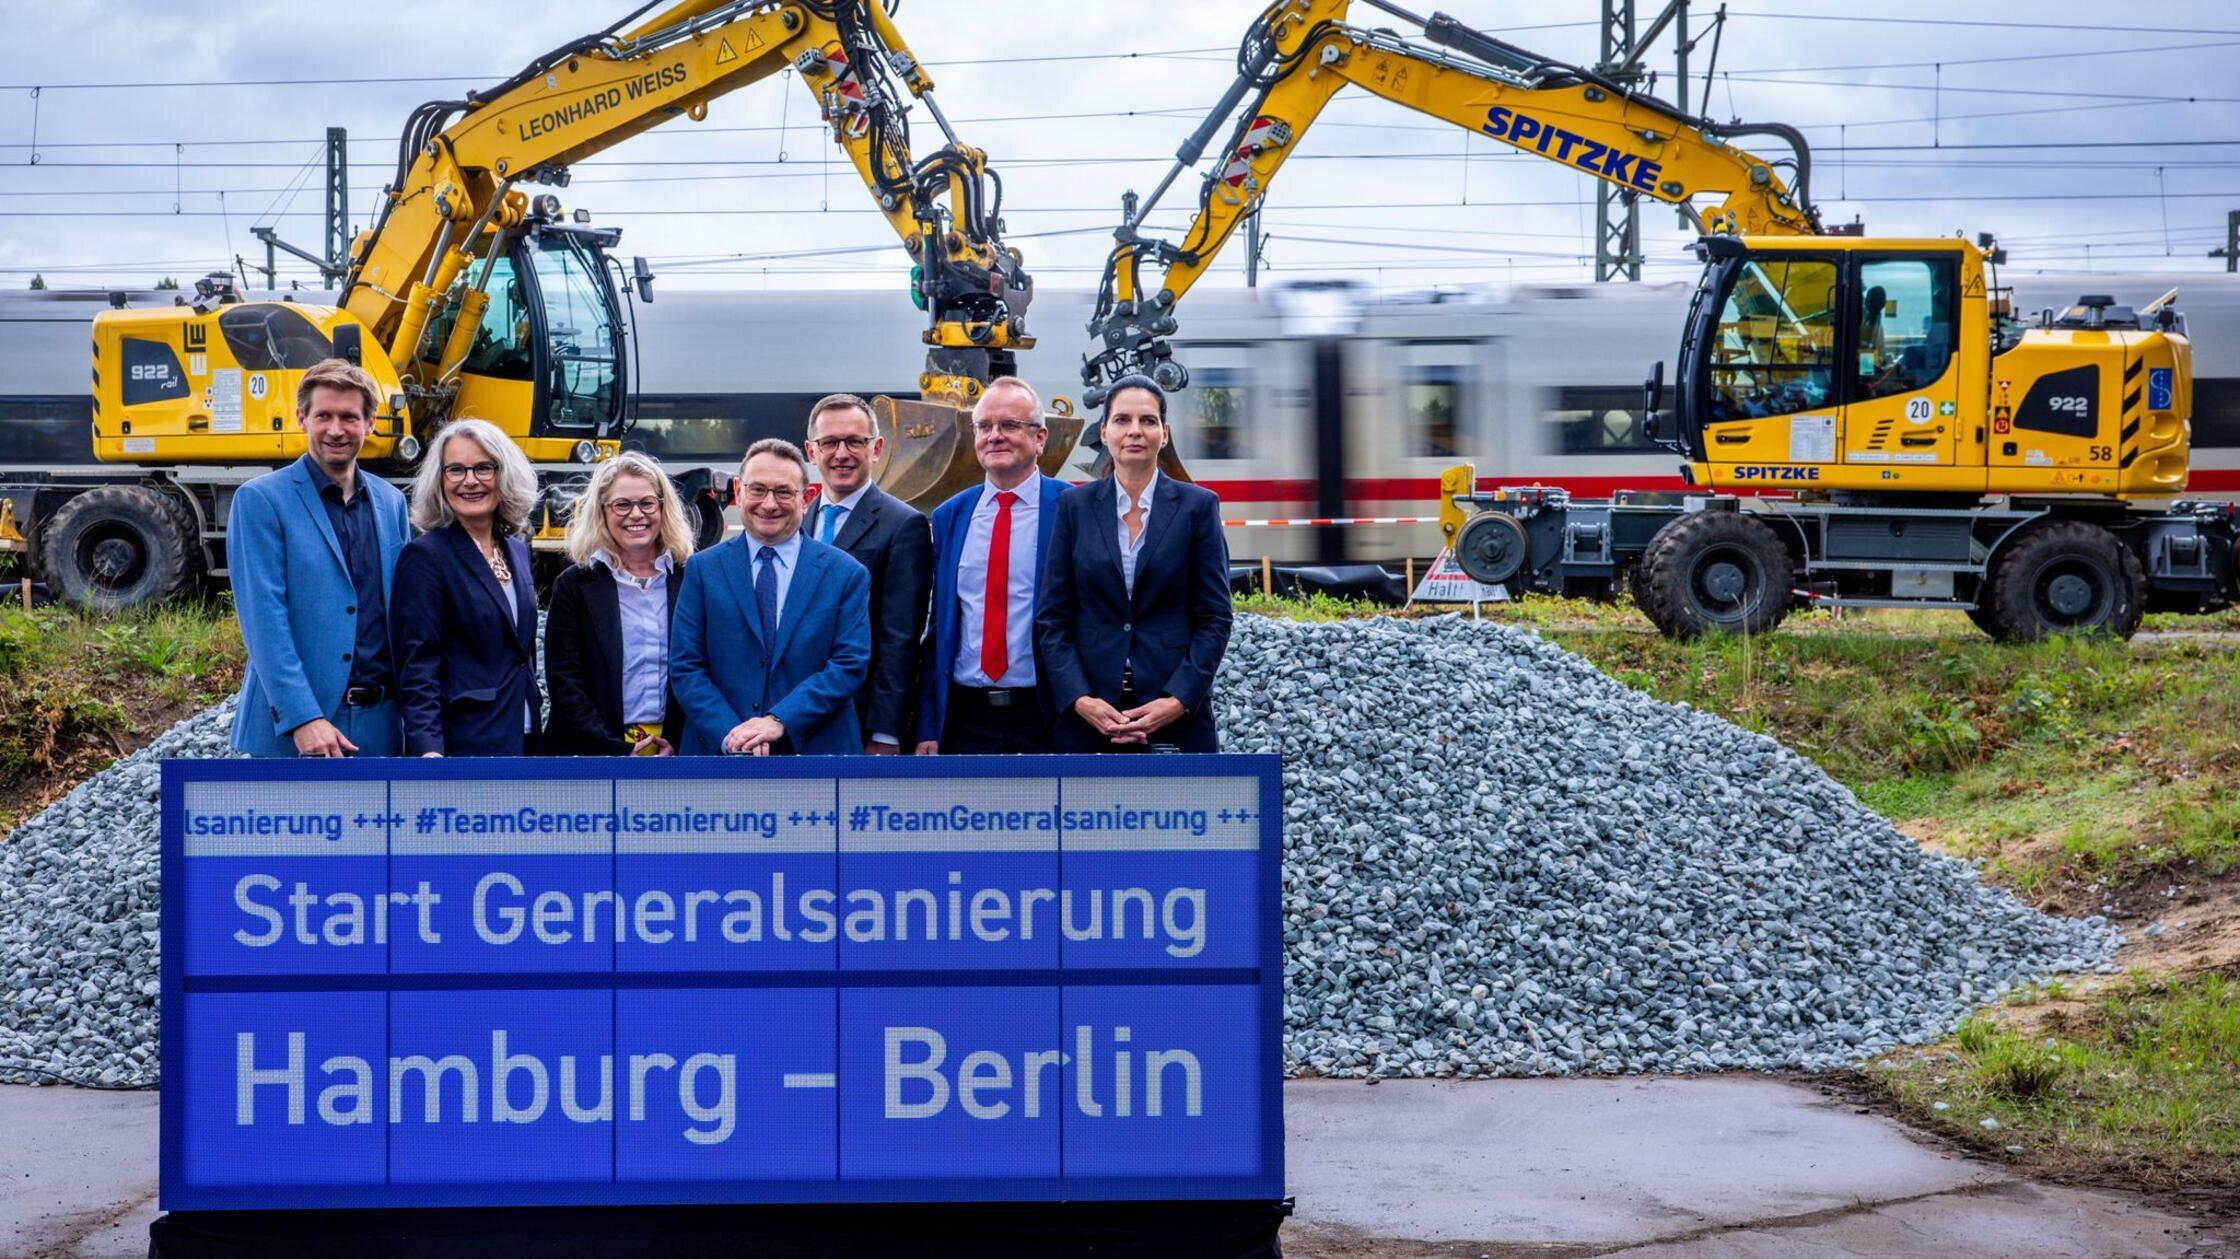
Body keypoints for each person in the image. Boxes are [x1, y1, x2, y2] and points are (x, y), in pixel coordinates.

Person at [1038, 374, 1233, 753]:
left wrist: (1177, 700)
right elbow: (1052, 619)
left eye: (1148, 421)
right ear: (1105, 432)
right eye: (1122, 420)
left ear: (1165, 433)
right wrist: (1080, 699)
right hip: (1088, 718)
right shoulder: (1073, 508)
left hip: (1175, 716)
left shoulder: (1198, 507)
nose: (1135, 431)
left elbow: (1215, 618)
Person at [228, 359, 412, 757]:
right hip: (296, 735)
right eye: (323, 415)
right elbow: (264, 620)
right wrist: (302, 718)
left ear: (370, 422)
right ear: (301, 418)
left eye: (348, 417)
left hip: (381, 726)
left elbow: (400, 613)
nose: (335, 429)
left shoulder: (391, 503)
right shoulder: (261, 501)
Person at [670, 438, 870, 755]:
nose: (769, 503)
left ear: (806, 498)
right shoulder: (702, 569)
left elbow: (848, 665)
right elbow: (686, 665)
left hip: (817, 754)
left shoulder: (846, 574)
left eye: (783, 492)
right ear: (739, 491)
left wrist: (779, 720)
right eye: (758, 489)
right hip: (718, 755)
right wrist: (731, 735)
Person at [914, 377, 1071, 755]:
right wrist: (928, 724)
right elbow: (940, 628)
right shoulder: (953, 515)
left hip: (1048, 715)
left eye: (1010, 425)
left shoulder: (1071, 508)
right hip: (966, 719)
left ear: (1040, 437)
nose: (995, 436)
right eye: (984, 426)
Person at [390, 417, 543, 757]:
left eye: (483, 468)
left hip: (524, 734)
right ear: (440, 480)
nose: (469, 481)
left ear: (503, 474)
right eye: (455, 470)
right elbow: (417, 666)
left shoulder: (515, 549)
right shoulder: (426, 556)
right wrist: (428, 749)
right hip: (464, 742)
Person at [803, 393, 932, 755]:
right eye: (829, 442)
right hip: (795, 717)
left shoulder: (904, 525)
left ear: (875, 448)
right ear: (811, 452)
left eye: (854, 442)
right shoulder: (797, 522)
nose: (841, 453)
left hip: (859, 723)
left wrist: (886, 732)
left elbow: (900, 639)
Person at [543, 452, 693, 756]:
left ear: (663, 508)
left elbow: (701, 669)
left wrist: (678, 741)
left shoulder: (691, 578)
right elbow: (566, 683)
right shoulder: (574, 586)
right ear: (602, 512)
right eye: (622, 504)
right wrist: (618, 751)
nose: (636, 514)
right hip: (592, 755)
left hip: (676, 752)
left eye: (647, 503)